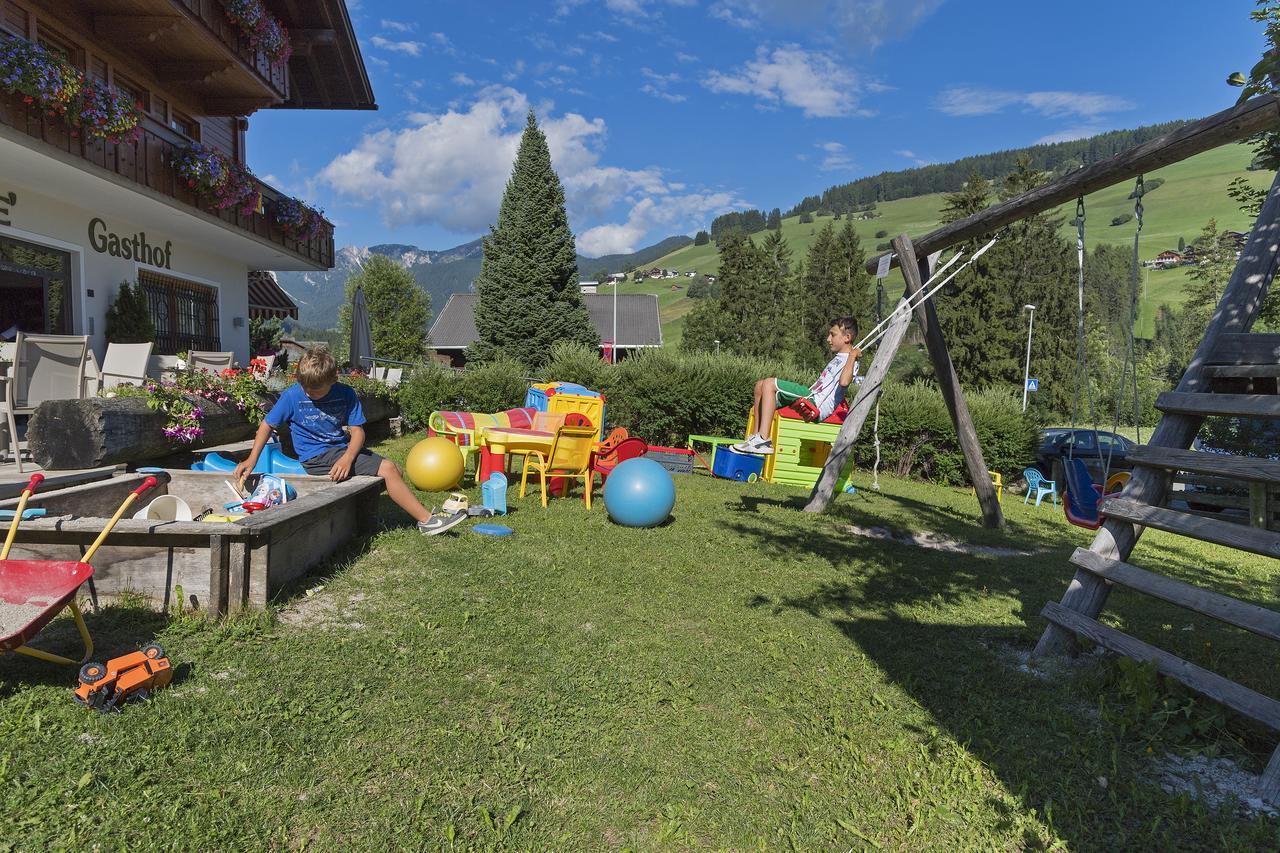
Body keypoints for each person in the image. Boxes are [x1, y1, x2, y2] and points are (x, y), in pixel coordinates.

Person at [234, 347, 463, 535]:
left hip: (340, 450)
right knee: (388, 469)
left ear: (334, 379)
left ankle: (365, 520)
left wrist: (347, 458)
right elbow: (267, 424)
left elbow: (358, 432)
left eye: (316, 390)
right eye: (306, 388)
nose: (309, 393)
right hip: (315, 457)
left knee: (394, 471)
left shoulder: (345, 393)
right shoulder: (293, 395)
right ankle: (427, 522)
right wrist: (252, 459)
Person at [732, 317, 862, 455]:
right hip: (812, 395)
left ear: (847, 337)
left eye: (833, 334)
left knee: (770, 383)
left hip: (817, 403)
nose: (828, 339)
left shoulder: (851, 360)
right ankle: (754, 438)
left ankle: (763, 440)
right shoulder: (839, 357)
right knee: (760, 386)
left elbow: (844, 382)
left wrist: (853, 355)